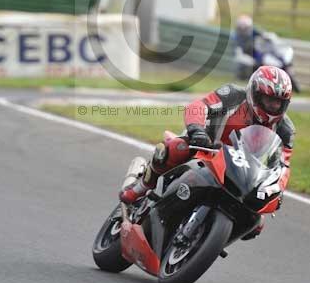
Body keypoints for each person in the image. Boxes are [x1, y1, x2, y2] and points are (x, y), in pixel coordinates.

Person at [120, 65, 295, 240]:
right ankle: (139, 188)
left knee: (256, 223)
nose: (272, 106)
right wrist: (197, 130)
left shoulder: (285, 129)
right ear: (254, 93)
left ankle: (204, 239)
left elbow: (283, 166)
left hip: (241, 173)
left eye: (278, 103)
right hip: (205, 148)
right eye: (267, 99)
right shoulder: (233, 95)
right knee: (175, 149)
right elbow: (199, 107)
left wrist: (277, 189)